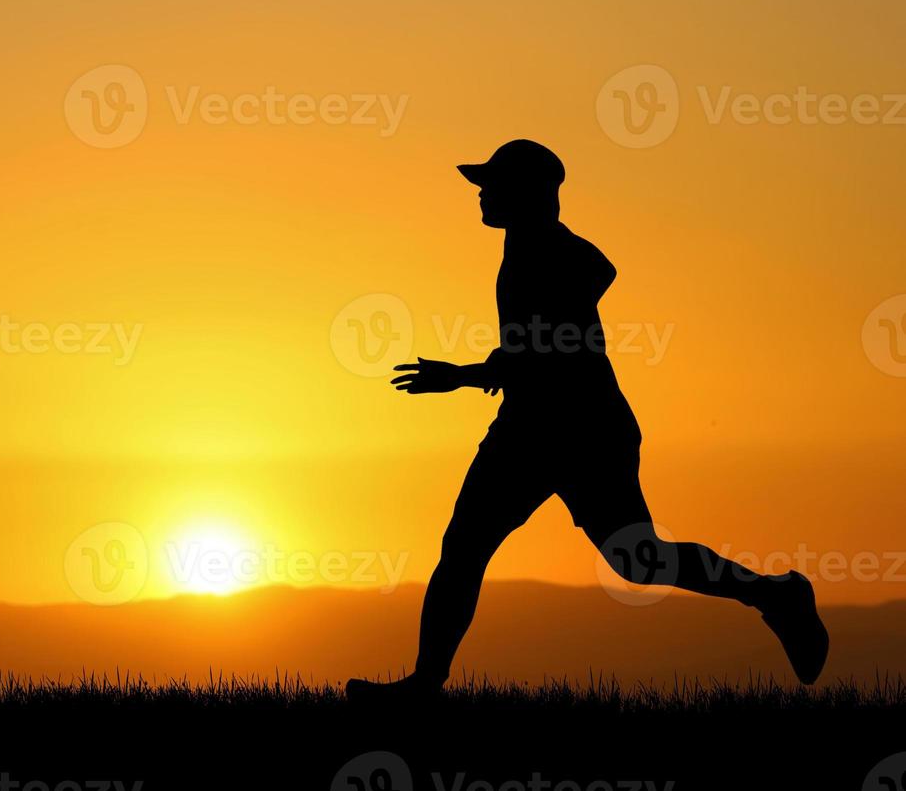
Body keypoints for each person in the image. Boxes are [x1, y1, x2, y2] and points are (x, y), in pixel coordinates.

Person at [347, 140, 829, 703]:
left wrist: (464, 374)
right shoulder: (526, 248)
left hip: (582, 432)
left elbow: (572, 308)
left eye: (492, 183)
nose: (481, 192)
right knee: (468, 547)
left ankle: (776, 596)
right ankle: (426, 684)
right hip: (530, 427)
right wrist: (493, 367)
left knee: (637, 561)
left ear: (527, 193)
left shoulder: (551, 251)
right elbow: (547, 331)